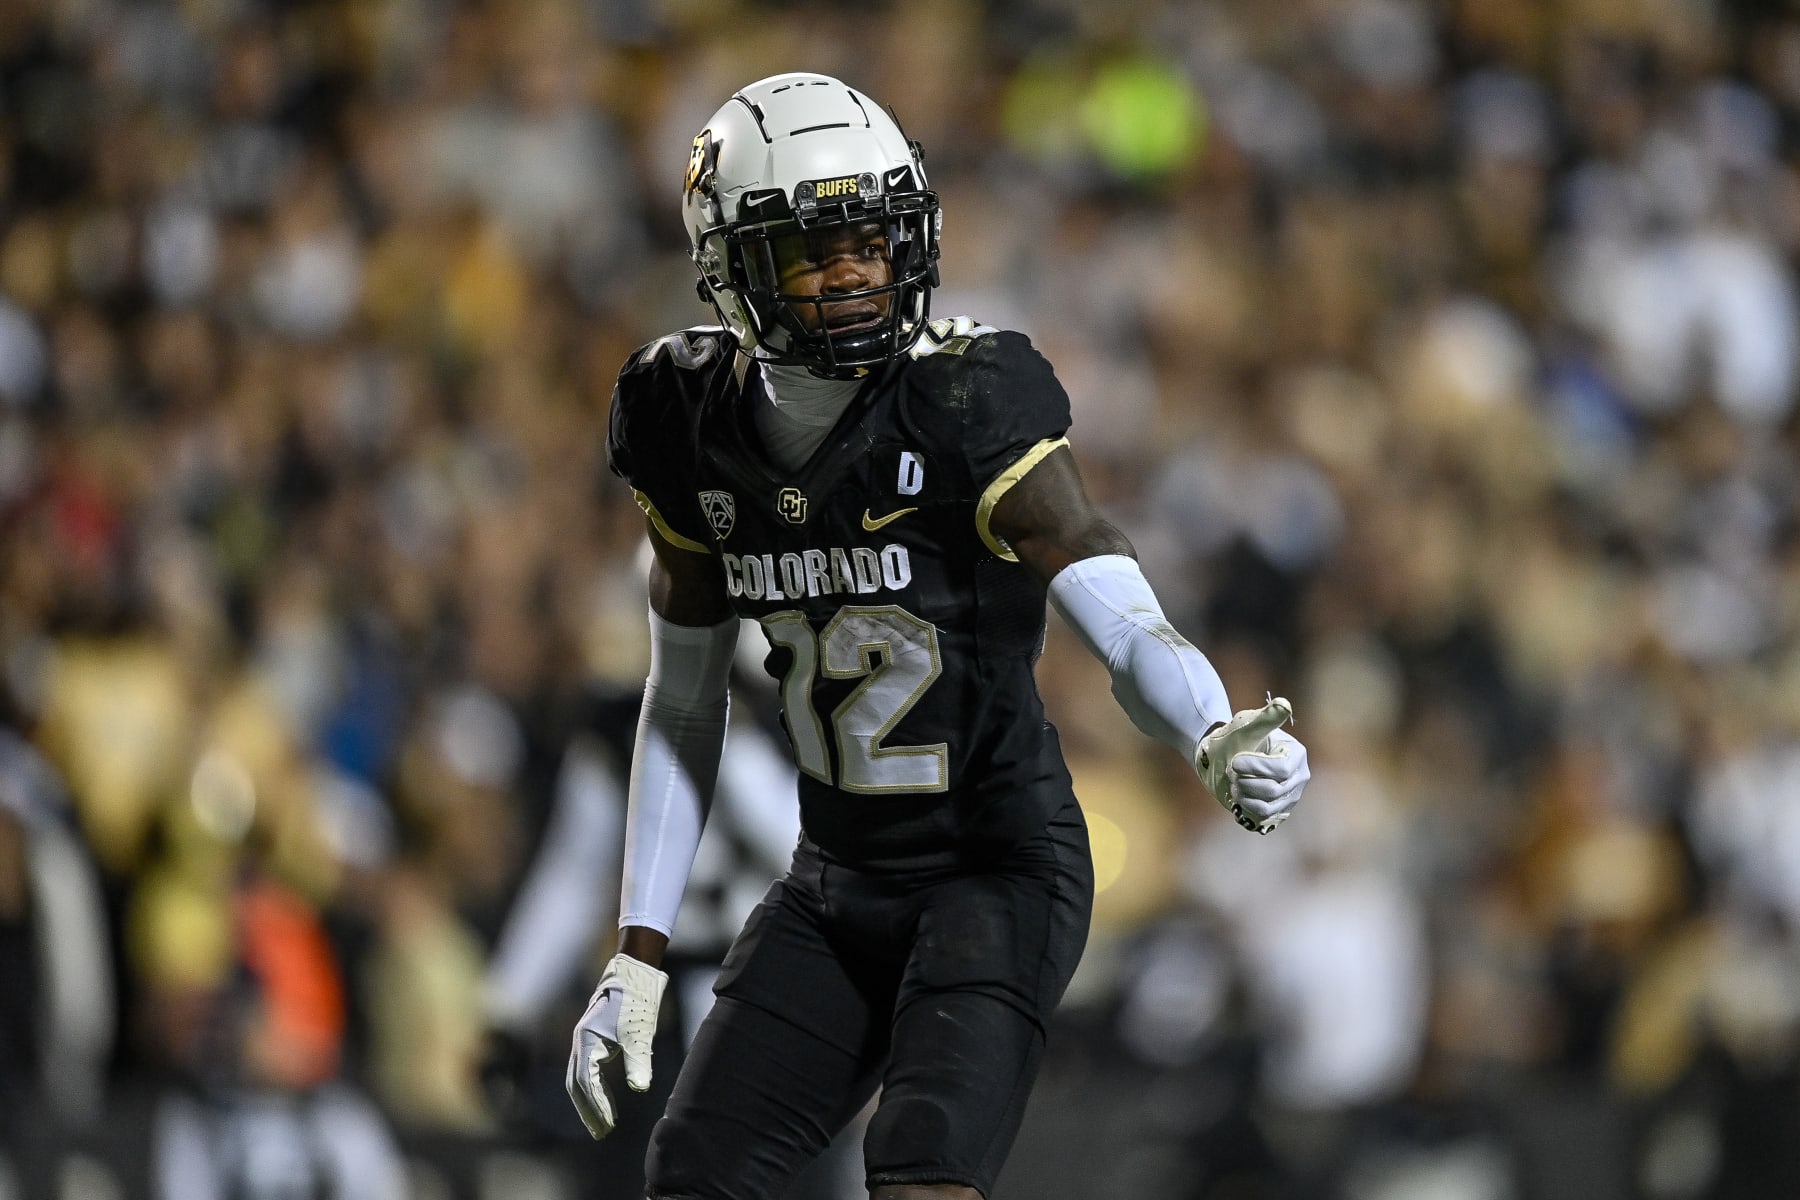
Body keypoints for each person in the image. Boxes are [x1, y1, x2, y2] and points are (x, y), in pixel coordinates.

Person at [566, 72, 1312, 1200]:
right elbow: (682, 702)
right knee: (697, 1173)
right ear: (734, 270)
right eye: (818, 250)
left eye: (871, 236)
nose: (859, 270)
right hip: (837, 877)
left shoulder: (965, 399)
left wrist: (1210, 730)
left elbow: (1117, 607)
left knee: (920, 1169)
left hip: (996, 867)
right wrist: (637, 950)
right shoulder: (682, 424)